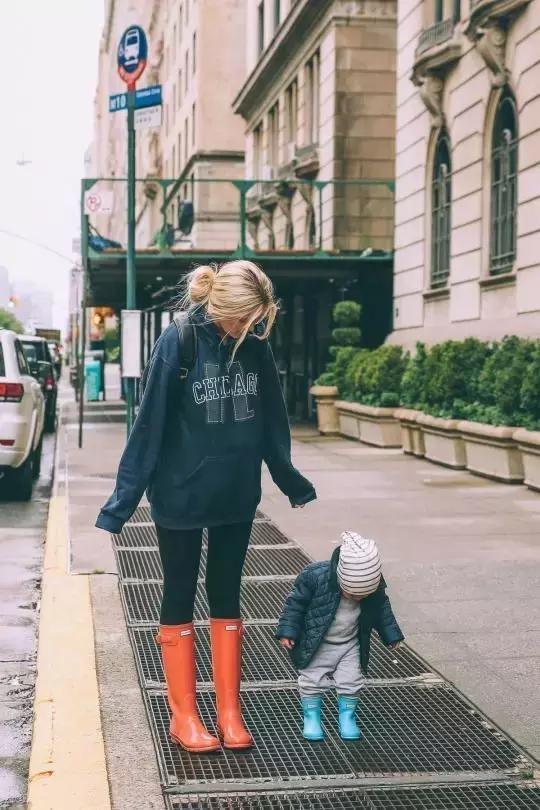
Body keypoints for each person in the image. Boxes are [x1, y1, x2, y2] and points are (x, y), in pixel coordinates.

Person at [96, 260, 316, 753]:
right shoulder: (180, 341)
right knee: (178, 593)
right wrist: (122, 501)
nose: (252, 327)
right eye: (246, 318)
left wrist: (288, 479)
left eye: (257, 319)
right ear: (224, 308)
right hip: (180, 494)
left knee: (227, 595)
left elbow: (272, 420)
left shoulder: (255, 345)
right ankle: (184, 715)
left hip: (236, 494)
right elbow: (149, 424)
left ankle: (229, 712)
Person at [276, 531, 403, 742]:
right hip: (317, 642)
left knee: (352, 680)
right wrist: (288, 631)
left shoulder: (372, 588)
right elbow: (295, 605)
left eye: (364, 594)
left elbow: (382, 610)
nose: (359, 598)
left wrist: (391, 635)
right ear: (342, 579)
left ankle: (347, 717)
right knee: (311, 680)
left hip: (350, 644)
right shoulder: (315, 577)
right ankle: (311, 717)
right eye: (353, 594)